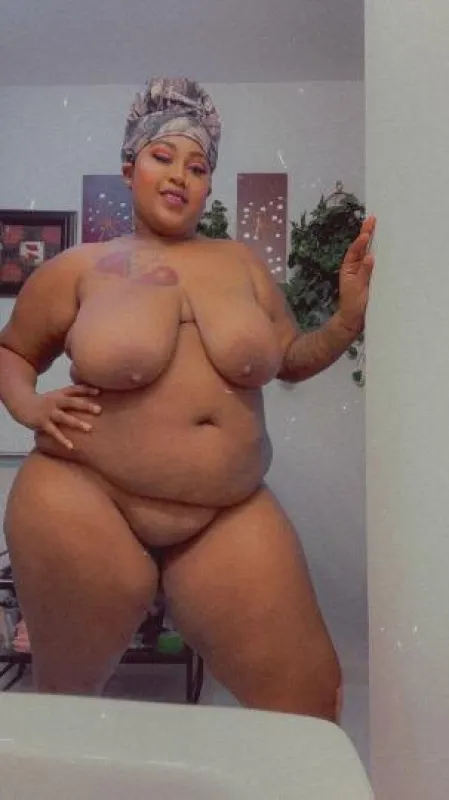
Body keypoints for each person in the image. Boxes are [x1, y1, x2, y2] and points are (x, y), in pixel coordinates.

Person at [0, 78, 375, 719]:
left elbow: (289, 358)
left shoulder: (242, 264)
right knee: (65, 706)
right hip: (83, 495)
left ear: (208, 186)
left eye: (198, 167)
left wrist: (344, 323)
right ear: (130, 168)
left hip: (225, 511)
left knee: (312, 702)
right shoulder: (80, 267)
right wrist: (30, 407)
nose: (180, 176)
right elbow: (13, 352)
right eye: (162, 156)